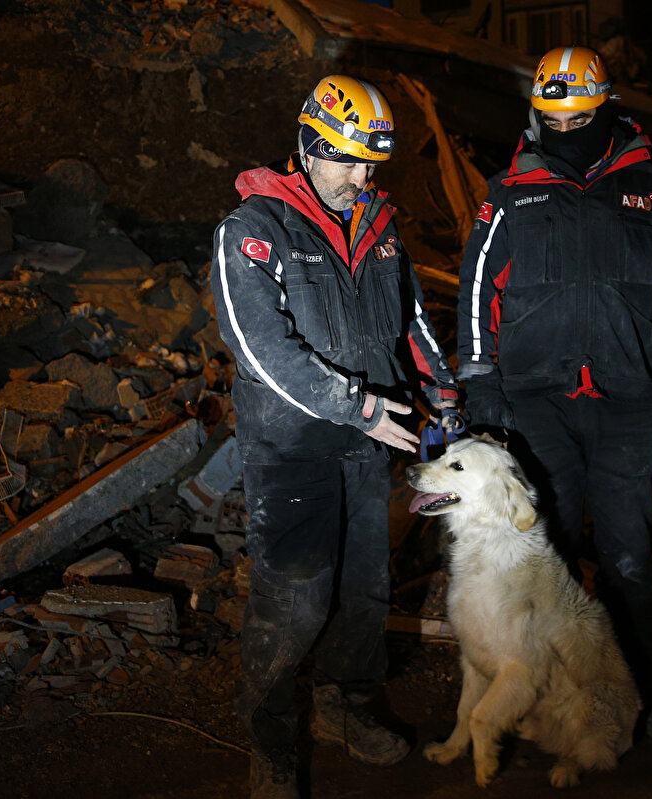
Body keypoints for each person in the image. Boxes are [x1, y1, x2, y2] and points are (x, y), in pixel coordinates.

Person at [210, 75, 458, 798]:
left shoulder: (379, 226)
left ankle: (347, 707)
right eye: (348, 160)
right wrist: (357, 406)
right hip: (291, 447)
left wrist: (441, 390)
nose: (362, 176)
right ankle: (272, 740)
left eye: (371, 163)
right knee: (294, 600)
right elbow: (261, 348)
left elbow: (409, 321)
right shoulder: (254, 229)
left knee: (364, 591)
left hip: (365, 443)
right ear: (309, 147)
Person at [456, 46, 652, 740]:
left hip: (627, 400)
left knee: (628, 556)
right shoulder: (511, 190)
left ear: (604, 109)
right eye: (551, 120)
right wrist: (480, 381)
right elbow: (477, 287)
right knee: (550, 557)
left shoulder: (650, 187)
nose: (564, 132)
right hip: (537, 402)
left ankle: (641, 695)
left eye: (578, 119)